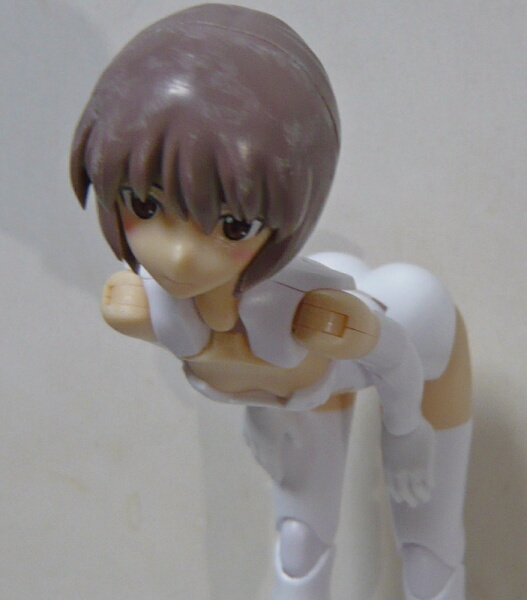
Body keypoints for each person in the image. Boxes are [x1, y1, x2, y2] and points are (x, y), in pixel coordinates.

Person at [71, 5, 472, 599]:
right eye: (146, 205)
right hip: (310, 382)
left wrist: (406, 432)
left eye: (232, 224)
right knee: (300, 542)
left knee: (427, 547)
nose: (178, 256)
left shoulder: (313, 315)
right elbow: (240, 361)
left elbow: (396, 360)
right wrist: (260, 415)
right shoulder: (151, 306)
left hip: (420, 346)